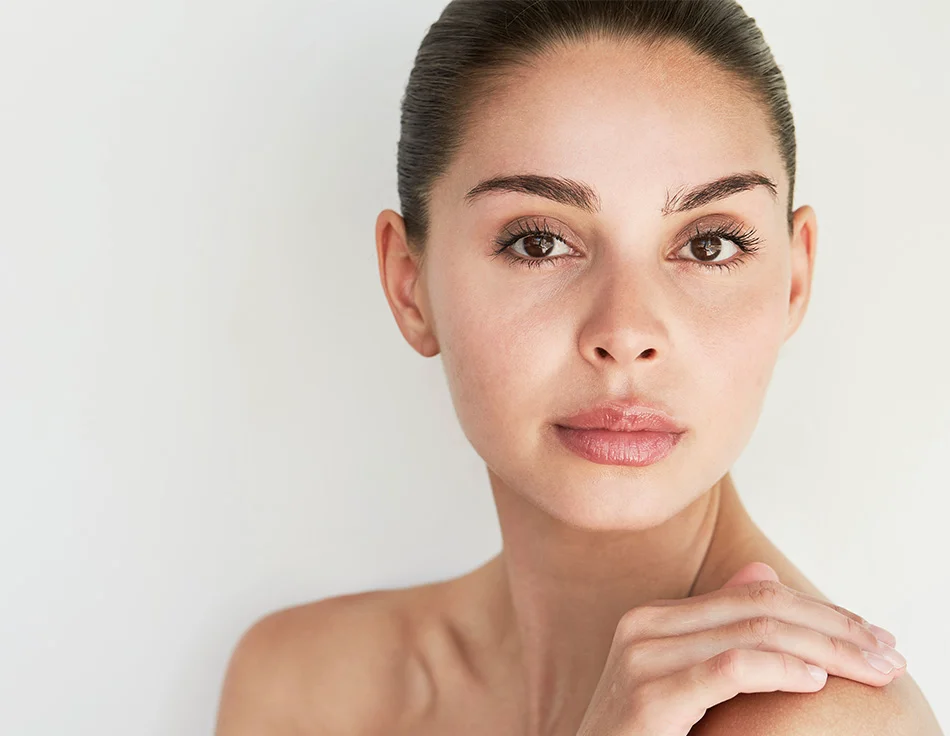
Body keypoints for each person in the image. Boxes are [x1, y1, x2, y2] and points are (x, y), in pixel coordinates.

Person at [215, 1, 943, 734]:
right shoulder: (297, 683)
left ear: (793, 281)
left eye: (709, 245)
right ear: (410, 284)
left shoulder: (819, 722)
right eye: (538, 243)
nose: (625, 332)